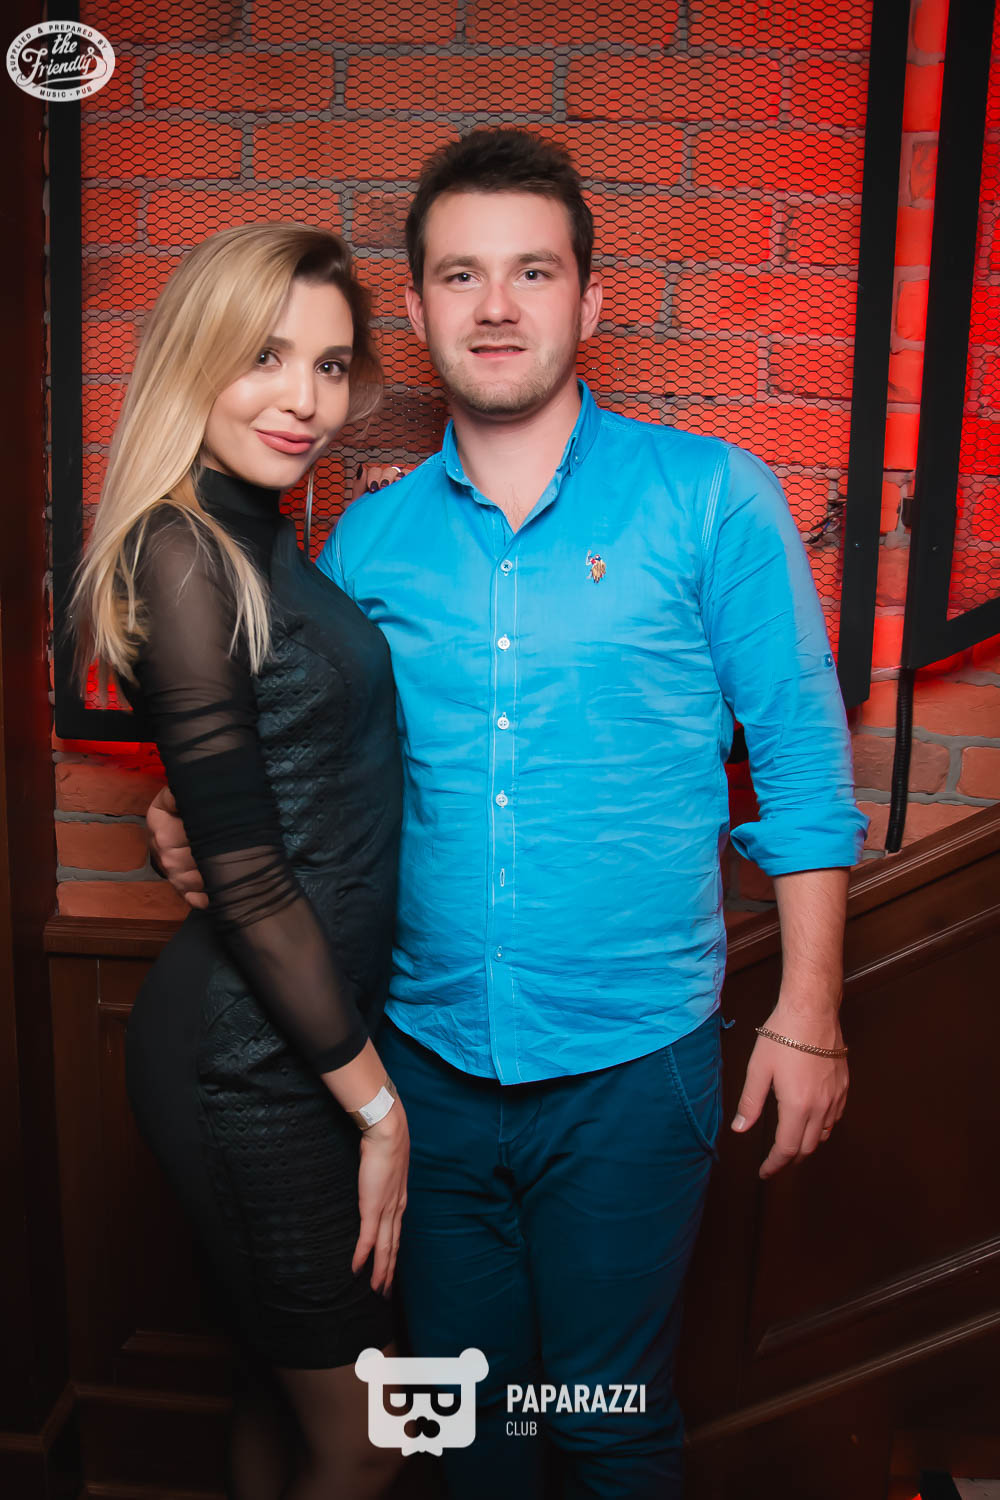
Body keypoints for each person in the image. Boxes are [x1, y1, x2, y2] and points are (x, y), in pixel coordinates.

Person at [150, 131, 867, 1499]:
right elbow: (297, 740)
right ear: (417, 312)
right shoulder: (367, 539)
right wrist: (178, 817)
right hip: (416, 1061)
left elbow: (800, 760)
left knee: (604, 1420)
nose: (495, 306)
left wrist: (810, 1011)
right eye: (459, 275)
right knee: (465, 1424)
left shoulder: (710, 498)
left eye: (532, 271)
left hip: (633, 1066)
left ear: (590, 300)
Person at [74, 224, 410, 1500]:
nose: (304, 399)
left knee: (277, 1395)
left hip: (300, 1043)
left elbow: (276, 777)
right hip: (250, 1064)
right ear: (194, 358)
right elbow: (255, 878)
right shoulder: (180, 547)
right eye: (265, 356)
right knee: (371, 1438)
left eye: (328, 366)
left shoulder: (263, 541)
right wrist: (378, 1111)